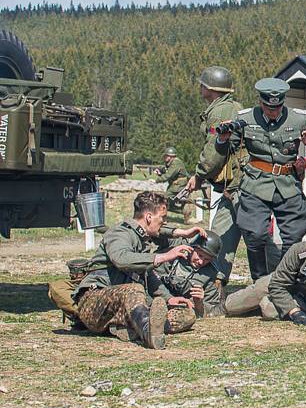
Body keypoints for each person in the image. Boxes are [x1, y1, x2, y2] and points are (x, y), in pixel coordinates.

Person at [215, 78, 306, 280]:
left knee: (295, 232)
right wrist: (222, 139)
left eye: (277, 107)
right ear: (260, 101)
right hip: (256, 183)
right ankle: (259, 281)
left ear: (283, 102)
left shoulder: (298, 119)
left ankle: (285, 280)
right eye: (268, 107)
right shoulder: (245, 118)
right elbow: (223, 148)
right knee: (255, 234)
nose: (273, 111)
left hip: (287, 184)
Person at [182, 66, 281, 286]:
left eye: (202, 84)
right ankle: (214, 281)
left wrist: (199, 175)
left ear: (210, 87)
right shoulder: (230, 107)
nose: (200, 87)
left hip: (240, 184)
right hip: (233, 185)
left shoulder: (221, 112)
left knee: (256, 237)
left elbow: (214, 150)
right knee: (219, 235)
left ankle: (280, 280)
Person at [72, 192, 206, 349]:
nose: (164, 222)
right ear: (149, 217)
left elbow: (149, 274)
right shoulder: (119, 233)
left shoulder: (142, 238)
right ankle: (149, 332)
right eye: (162, 218)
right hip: (94, 303)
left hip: (125, 308)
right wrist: (163, 257)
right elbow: (121, 259)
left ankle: (130, 329)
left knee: (185, 315)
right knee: (134, 290)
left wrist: (169, 299)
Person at [154, 230, 225, 317]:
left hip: (176, 309)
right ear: (192, 248)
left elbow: (212, 309)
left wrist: (199, 303)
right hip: (152, 289)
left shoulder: (209, 275)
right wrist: (181, 232)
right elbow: (154, 231)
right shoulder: (177, 244)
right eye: (200, 255)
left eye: (207, 259)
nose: (201, 262)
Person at [154, 146, 193, 223]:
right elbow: (168, 171)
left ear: (171, 156)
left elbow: (168, 175)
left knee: (164, 199)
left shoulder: (176, 162)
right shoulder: (172, 162)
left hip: (178, 186)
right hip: (176, 185)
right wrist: (160, 173)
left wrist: (156, 180)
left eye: (166, 156)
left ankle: (163, 218)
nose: (164, 157)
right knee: (168, 201)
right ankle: (176, 212)